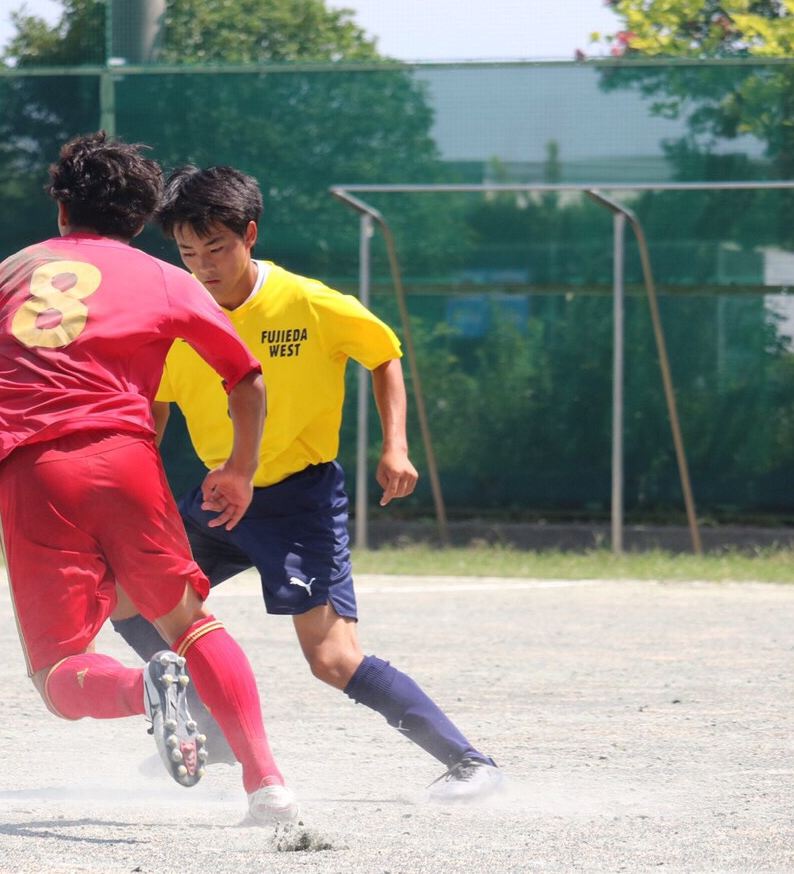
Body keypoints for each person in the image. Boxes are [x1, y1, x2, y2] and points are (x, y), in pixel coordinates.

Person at [110, 164, 504, 802]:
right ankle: (207, 733)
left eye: (218, 248)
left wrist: (395, 446)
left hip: (298, 501)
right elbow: (149, 415)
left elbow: (383, 353)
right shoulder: (174, 316)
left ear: (250, 235)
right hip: (216, 499)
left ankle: (471, 763)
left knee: (332, 660)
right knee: (123, 595)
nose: (204, 266)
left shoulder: (309, 303)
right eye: (187, 252)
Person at [0, 133, 298, 825]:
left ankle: (145, 691)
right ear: (141, 220)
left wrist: (5, 466)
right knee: (193, 626)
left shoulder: (9, 273)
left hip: (34, 469)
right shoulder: (167, 278)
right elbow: (246, 378)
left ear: (61, 211)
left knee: (58, 670)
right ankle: (269, 788)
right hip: (126, 460)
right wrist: (239, 470)